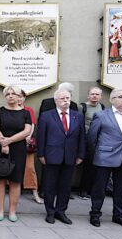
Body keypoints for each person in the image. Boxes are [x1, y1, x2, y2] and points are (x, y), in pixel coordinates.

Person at [87, 88, 122, 229]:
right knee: (99, 188)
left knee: (121, 189)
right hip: (104, 157)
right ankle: (95, 214)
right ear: (112, 100)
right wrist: (95, 156)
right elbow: (92, 138)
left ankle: (119, 216)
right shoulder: (101, 115)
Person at [37, 89, 86, 224]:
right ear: (56, 101)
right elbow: (41, 136)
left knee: (65, 186)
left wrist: (81, 154)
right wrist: (40, 154)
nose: (66, 101)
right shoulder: (47, 116)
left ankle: (61, 211)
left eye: (68, 98)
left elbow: (82, 137)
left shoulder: (78, 116)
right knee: (50, 185)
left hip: (70, 156)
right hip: (51, 155)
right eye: (63, 98)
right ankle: (50, 212)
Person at [0, 86, 32, 222]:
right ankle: (0, 210)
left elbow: (27, 131)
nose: (10, 96)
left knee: (15, 181)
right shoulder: (0, 111)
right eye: (7, 94)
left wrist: (9, 141)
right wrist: (3, 143)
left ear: (19, 96)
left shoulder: (25, 113)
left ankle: (12, 211)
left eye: (13, 93)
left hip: (17, 149)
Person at [77, 87, 106, 199]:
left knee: (95, 165)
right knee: (87, 165)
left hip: (98, 140)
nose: (95, 96)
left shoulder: (102, 107)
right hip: (85, 139)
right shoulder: (82, 107)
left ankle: (90, 189)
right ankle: (83, 190)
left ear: (101, 96)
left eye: (97, 94)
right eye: (92, 94)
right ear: (88, 95)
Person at [20, 90, 42, 204]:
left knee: (30, 169)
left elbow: (32, 125)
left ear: (24, 98)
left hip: (26, 143)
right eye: (17, 96)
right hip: (13, 143)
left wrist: (27, 136)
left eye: (21, 97)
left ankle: (35, 193)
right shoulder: (8, 109)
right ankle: (15, 191)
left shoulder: (28, 110)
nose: (19, 99)